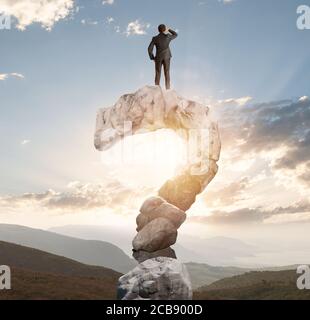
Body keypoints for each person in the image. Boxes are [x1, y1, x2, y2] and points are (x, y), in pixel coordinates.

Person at [148, 24, 178, 90]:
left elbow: (149, 49)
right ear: (164, 29)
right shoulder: (168, 36)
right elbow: (176, 34)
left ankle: (156, 90)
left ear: (158, 30)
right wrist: (169, 29)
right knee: (167, 72)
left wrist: (152, 58)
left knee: (158, 73)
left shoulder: (155, 38)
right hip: (167, 56)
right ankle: (168, 89)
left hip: (158, 58)